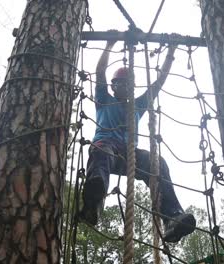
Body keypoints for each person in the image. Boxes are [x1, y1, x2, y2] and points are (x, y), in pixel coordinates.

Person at [79, 39, 196, 243]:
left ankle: (171, 217)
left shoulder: (138, 105)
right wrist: (109, 44)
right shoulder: (104, 99)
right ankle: (93, 203)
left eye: (128, 84)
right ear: (113, 86)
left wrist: (171, 52)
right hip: (106, 148)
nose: (124, 87)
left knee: (157, 162)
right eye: (120, 83)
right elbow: (100, 72)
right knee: (102, 152)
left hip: (128, 155)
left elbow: (158, 83)